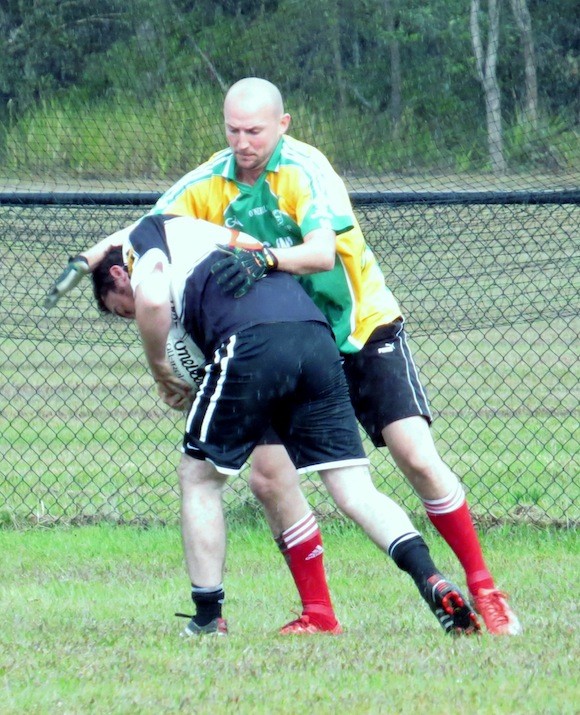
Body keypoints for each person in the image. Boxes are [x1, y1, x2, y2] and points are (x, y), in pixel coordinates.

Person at [145, 77, 522, 636]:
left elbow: (322, 255)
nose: (243, 141)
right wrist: (97, 254)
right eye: (233, 130)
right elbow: (152, 229)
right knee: (269, 479)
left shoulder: (306, 170)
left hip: (359, 329)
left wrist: (266, 260)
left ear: (283, 125)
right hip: (294, 339)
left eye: (255, 130)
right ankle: (320, 614)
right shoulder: (207, 182)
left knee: (413, 456)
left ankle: (485, 590)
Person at [51, 213, 480, 637]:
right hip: (313, 336)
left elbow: (151, 303)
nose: (133, 321)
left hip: (251, 340)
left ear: (118, 275)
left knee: (198, 477)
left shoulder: (143, 241)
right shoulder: (205, 232)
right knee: (354, 489)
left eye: (120, 312)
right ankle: (431, 578)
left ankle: (206, 618)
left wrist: (160, 367)